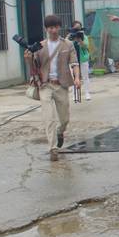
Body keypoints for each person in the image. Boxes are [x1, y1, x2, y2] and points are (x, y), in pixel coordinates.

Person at [26, 15, 81, 158]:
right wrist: (28, 59)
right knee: (49, 117)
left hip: (61, 85)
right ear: (46, 29)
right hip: (45, 85)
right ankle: (53, 148)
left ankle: (60, 131)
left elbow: (74, 63)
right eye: (50, 27)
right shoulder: (40, 46)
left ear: (59, 27)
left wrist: (77, 78)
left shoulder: (67, 45)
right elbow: (34, 66)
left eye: (56, 27)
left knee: (64, 119)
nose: (53, 30)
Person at [70, 20, 91, 101]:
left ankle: (87, 93)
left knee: (85, 76)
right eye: (76, 28)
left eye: (79, 28)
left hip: (83, 59)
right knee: (73, 77)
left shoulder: (84, 37)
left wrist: (80, 40)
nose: (77, 30)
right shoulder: (70, 37)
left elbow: (86, 47)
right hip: (73, 60)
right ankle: (74, 94)